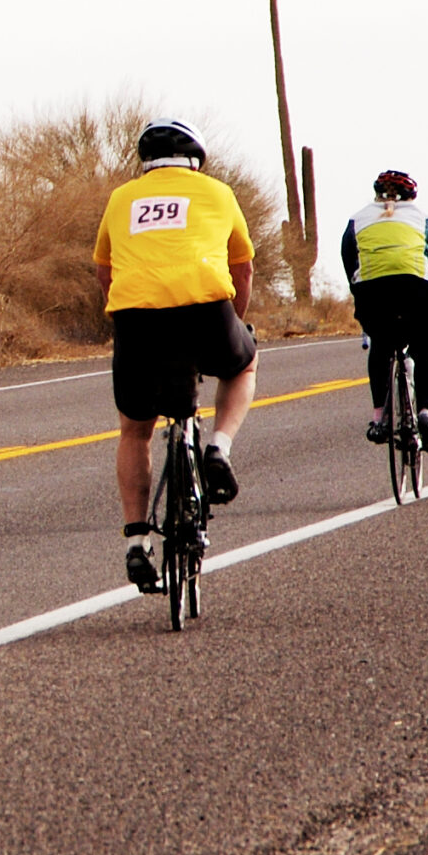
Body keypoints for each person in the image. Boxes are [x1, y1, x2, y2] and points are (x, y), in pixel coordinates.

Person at [93, 117, 258, 590]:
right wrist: (236, 323)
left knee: (134, 431)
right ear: (197, 160)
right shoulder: (217, 193)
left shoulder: (121, 198)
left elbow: (105, 273)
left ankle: (136, 540)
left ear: (145, 163)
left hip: (136, 318)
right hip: (205, 311)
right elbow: (241, 269)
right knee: (244, 362)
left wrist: (126, 321)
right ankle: (218, 448)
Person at [342, 169, 428, 452]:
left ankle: (378, 418)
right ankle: (426, 413)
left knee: (381, 347)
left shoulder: (358, 219)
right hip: (419, 291)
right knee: (427, 353)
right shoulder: (421, 217)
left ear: (376, 194)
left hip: (373, 294)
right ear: (411, 196)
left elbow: (349, 261)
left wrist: (359, 293)